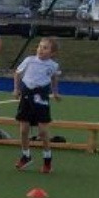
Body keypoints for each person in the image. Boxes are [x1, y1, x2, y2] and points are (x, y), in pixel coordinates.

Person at [13, 36, 62, 173]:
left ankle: (47, 160)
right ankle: (26, 156)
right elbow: (17, 74)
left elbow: (54, 78)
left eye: (45, 48)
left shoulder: (53, 65)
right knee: (23, 130)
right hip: (27, 96)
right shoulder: (29, 60)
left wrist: (55, 92)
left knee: (43, 131)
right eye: (40, 46)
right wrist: (16, 89)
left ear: (52, 53)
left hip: (41, 98)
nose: (41, 50)